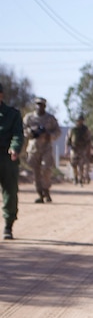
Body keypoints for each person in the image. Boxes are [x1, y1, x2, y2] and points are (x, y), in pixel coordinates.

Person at [23, 97, 60, 204]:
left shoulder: (50, 119)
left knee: (46, 169)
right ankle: (39, 193)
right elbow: (23, 129)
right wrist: (31, 132)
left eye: (41, 105)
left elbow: (58, 132)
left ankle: (46, 190)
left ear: (45, 106)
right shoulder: (29, 118)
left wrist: (49, 135)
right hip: (33, 148)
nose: (39, 107)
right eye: (37, 104)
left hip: (46, 147)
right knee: (35, 172)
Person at [0, 84, 25, 240]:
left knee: (10, 192)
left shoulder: (12, 114)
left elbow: (18, 134)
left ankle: (8, 225)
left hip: (6, 157)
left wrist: (15, 148)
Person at [67, 114, 93, 186]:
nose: (80, 122)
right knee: (74, 165)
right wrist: (66, 150)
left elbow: (88, 140)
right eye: (78, 120)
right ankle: (75, 177)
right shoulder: (72, 130)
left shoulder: (85, 130)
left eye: (81, 120)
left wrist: (88, 150)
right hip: (74, 149)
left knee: (81, 165)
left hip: (82, 149)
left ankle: (80, 179)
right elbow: (68, 140)